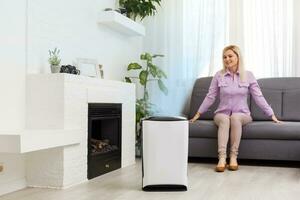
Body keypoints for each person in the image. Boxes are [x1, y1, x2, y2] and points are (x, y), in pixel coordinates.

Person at [189, 45, 281, 172]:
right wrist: (197, 114)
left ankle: (233, 157)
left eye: (230, 56)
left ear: (238, 57)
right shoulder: (218, 75)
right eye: (224, 57)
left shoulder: (248, 75)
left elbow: (258, 96)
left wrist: (271, 114)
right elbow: (210, 96)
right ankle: (222, 158)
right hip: (222, 113)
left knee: (235, 117)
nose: (227, 59)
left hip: (243, 114)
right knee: (225, 119)